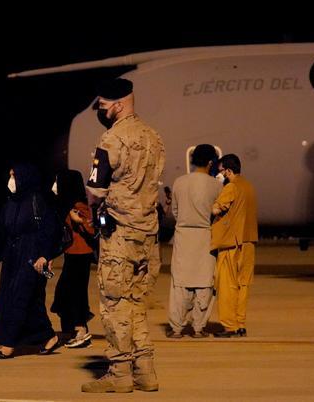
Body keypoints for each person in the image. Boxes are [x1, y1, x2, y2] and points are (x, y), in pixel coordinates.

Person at [82, 78, 165, 393]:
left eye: (103, 106)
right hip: (148, 235)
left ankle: (119, 375)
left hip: (119, 235)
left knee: (115, 304)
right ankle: (145, 372)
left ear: (117, 104)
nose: (102, 111)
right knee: (136, 303)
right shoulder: (153, 137)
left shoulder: (111, 139)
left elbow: (95, 188)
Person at [0, 164, 60, 359]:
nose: (11, 180)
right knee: (30, 300)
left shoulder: (38, 201)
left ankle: (9, 344)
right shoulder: (11, 203)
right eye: (10, 176)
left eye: (14, 176)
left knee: (20, 297)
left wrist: (45, 255)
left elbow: (51, 230)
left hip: (33, 256)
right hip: (13, 257)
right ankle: (48, 336)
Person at [167, 144, 222, 339]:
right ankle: (199, 328)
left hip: (183, 236)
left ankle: (176, 328)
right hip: (206, 236)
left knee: (180, 283)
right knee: (205, 283)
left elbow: (175, 211)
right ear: (210, 163)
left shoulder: (179, 182)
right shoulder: (216, 185)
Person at [210, 154, 258, 338]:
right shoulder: (249, 186)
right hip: (249, 242)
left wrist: (214, 199)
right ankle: (240, 324)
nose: (220, 174)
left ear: (228, 171)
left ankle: (229, 326)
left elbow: (216, 209)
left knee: (227, 286)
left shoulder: (231, 187)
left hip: (232, 244)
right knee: (243, 285)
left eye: (221, 171)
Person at [50, 169, 95, 348]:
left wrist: (80, 221)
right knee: (65, 292)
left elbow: (92, 229)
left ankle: (80, 329)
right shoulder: (67, 205)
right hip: (72, 254)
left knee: (76, 293)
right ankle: (71, 329)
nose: (55, 186)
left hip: (81, 256)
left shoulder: (79, 205)